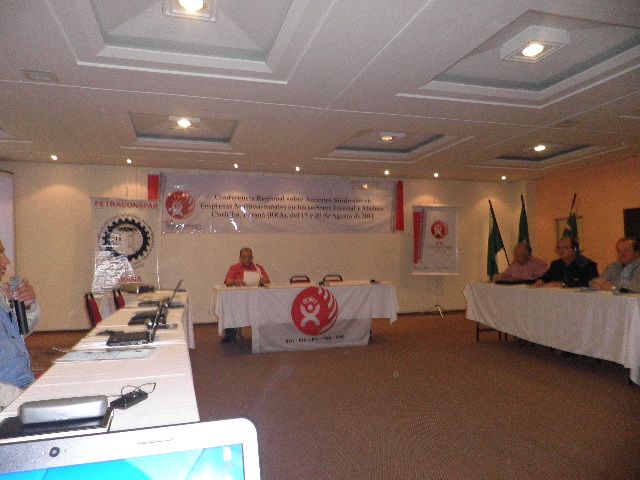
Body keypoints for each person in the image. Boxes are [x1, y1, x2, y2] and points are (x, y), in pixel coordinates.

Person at [0, 239, 41, 410]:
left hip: (24, 385)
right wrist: (25, 399)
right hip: (9, 401)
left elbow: (19, 332)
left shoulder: (2, 293)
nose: (6, 261)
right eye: (0, 255)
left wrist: (28, 306)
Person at [221, 247, 270, 343]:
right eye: (244, 257)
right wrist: (235, 281)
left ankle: (262, 333)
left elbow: (267, 280)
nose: (247, 259)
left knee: (266, 305)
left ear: (252, 258)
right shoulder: (234, 267)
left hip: (255, 299)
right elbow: (227, 282)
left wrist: (260, 280)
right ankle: (230, 333)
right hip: (238, 300)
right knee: (228, 305)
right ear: (240, 258)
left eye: (249, 257)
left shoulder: (258, 268)